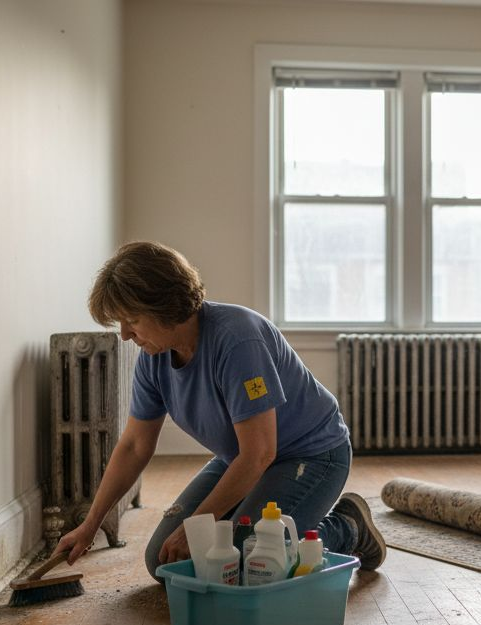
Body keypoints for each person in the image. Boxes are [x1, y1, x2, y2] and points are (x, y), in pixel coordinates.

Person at [56, 241, 385, 578]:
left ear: (165, 307)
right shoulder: (152, 359)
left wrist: (200, 526)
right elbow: (135, 446)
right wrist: (90, 524)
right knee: (165, 561)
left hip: (311, 455)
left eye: (132, 320)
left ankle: (347, 526)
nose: (125, 335)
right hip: (241, 458)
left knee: (252, 562)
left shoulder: (238, 340)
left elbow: (260, 453)